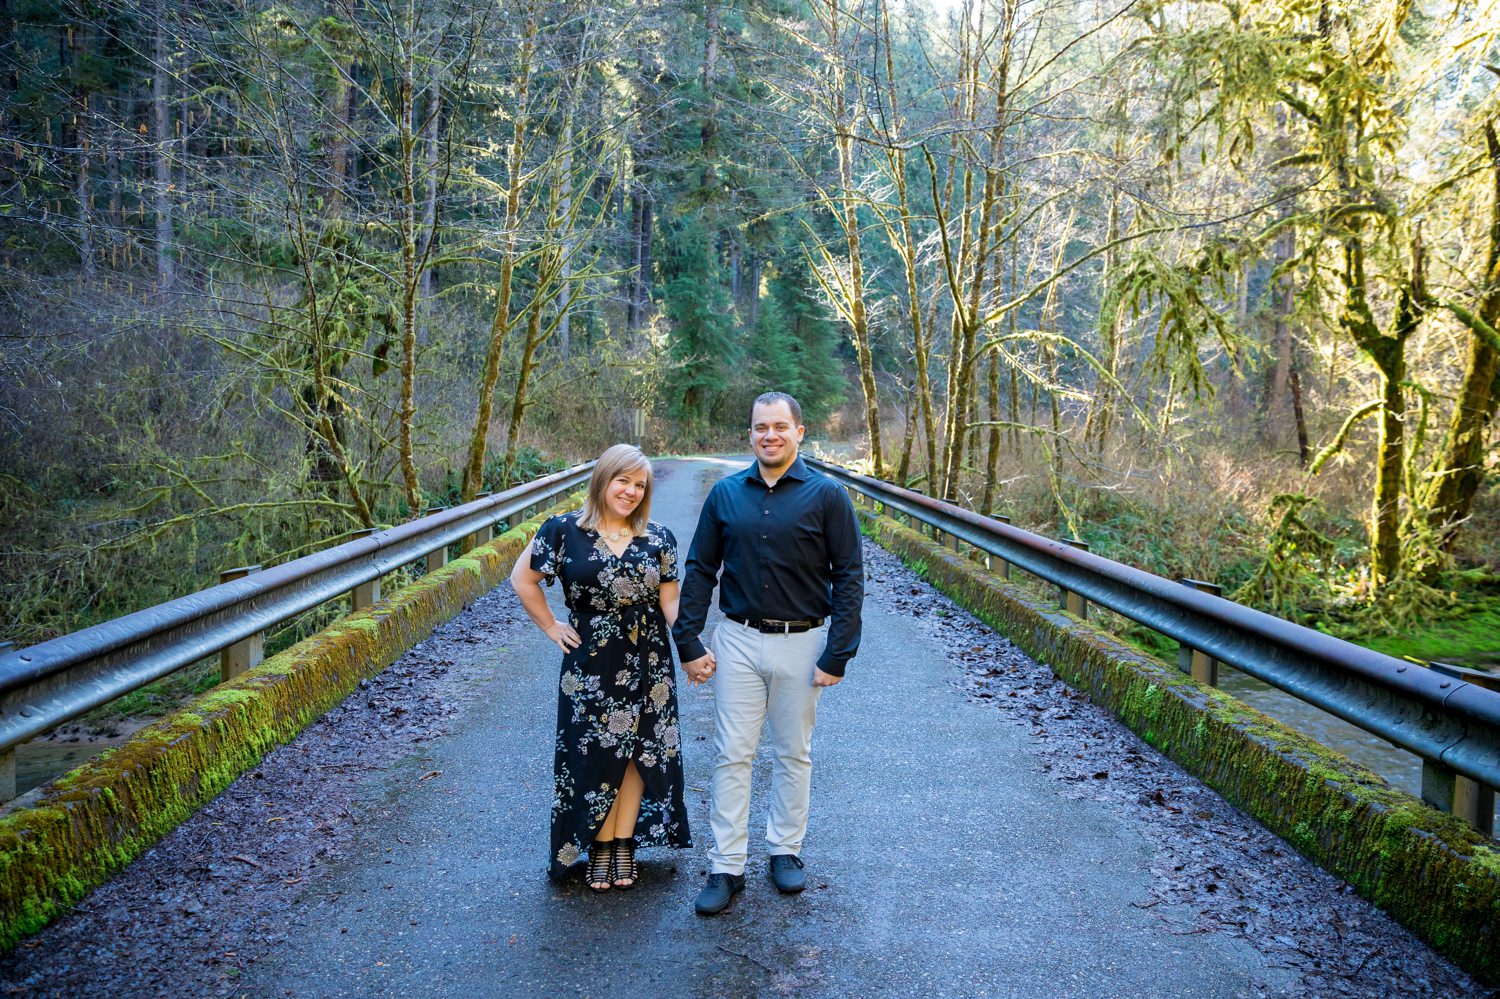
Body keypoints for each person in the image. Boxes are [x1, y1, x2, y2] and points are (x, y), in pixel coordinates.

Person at [673, 392, 864, 915]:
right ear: (750, 434)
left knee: (792, 753)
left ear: (800, 432)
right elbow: (699, 569)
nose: (770, 435)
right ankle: (726, 865)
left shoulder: (828, 497)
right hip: (736, 638)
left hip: (803, 644)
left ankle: (785, 850)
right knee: (732, 754)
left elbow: (849, 577)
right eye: (761, 427)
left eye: (781, 426)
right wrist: (688, 640)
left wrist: (838, 652)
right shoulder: (726, 495)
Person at [510, 444, 691, 891]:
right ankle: (598, 843)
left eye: (639, 485)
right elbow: (523, 578)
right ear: (603, 480)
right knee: (592, 753)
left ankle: (622, 845)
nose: (630, 491)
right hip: (590, 661)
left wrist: (692, 647)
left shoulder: (658, 538)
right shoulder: (563, 530)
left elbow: (670, 601)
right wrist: (552, 626)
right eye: (622, 481)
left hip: (649, 658)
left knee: (637, 753)